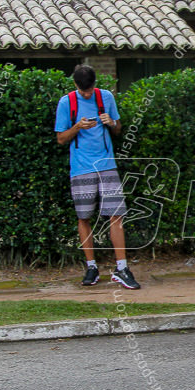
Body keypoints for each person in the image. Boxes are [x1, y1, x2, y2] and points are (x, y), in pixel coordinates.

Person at [54, 65, 140, 289]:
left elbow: (118, 129)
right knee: (84, 217)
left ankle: (122, 268)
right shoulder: (67, 103)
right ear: (75, 85)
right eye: (84, 91)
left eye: (90, 89)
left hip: (107, 165)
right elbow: (61, 139)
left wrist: (111, 122)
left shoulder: (106, 97)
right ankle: (91, 266)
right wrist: (77, 127)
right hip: (81, 168)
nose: (87, 94)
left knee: (116, 214)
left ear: (95, 84)